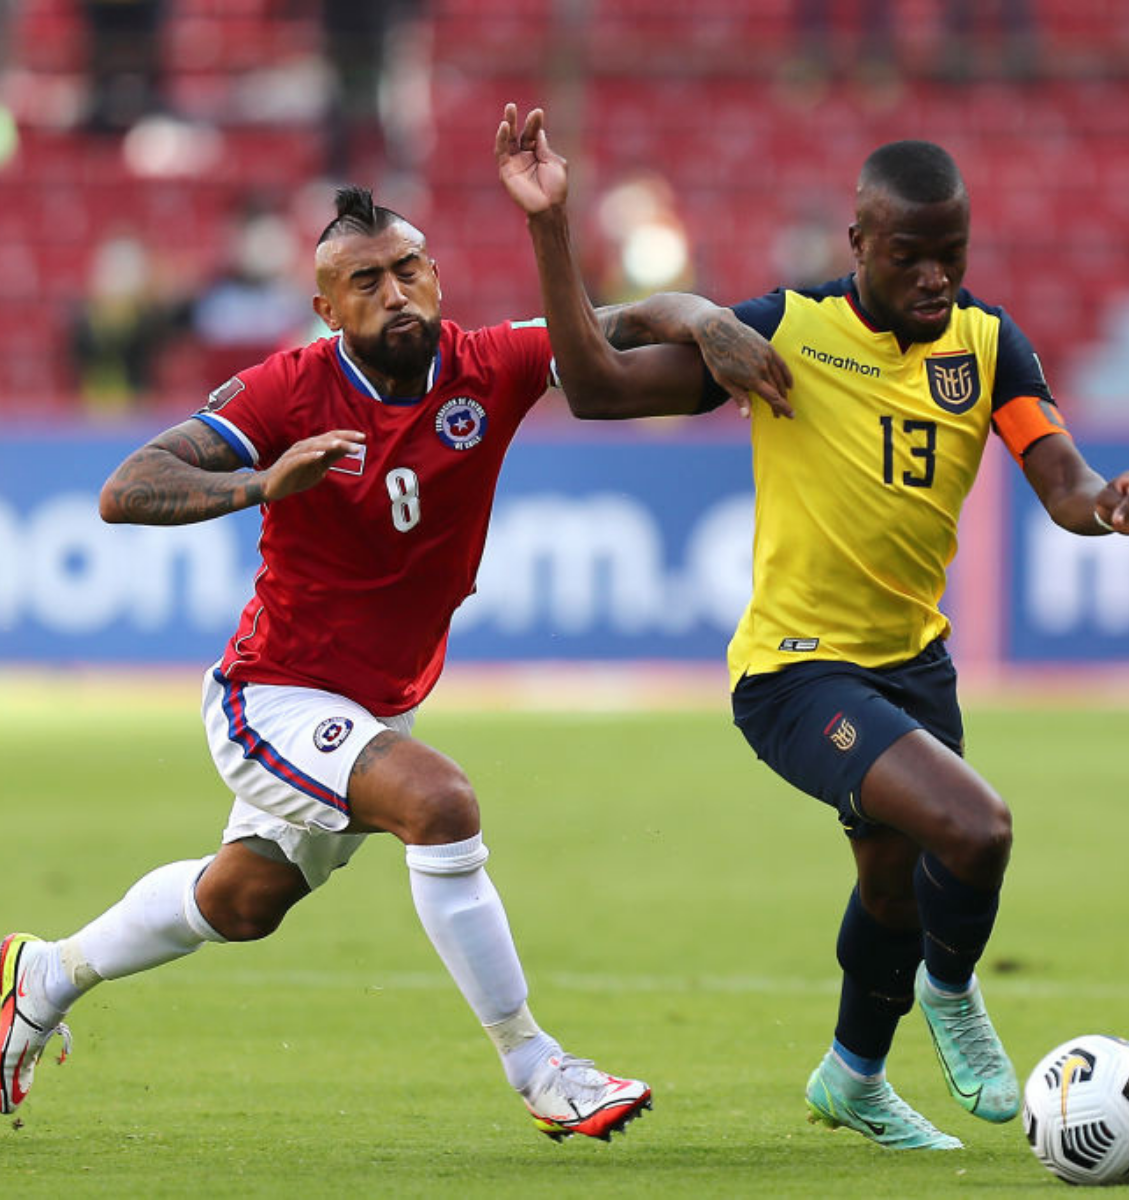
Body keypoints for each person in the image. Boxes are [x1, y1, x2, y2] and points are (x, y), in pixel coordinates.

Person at [495, 105, 1129, 1150]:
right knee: (976, 830)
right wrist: (645, 282)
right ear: (858, 243)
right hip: (796, 674)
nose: (936, 278)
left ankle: (852, 1078)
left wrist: (1102, 506)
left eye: (953, 256)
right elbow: (595, 383)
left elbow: (1060, 475)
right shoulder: (789, 328)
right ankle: (952, 993)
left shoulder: (989, 348)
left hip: (915, 666)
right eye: (910, 257)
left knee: (893, 884)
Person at [1, 184, 656, 1143]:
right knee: (440, 805)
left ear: (434, 275)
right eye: (366, 281)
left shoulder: (487, 362)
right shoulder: (289, 387)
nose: (395, 293)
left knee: (243, 899)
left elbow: (620, 325)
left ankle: (42, 976)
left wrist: (706, 322)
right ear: (328, 308)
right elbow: (126, 487)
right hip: (270, 697)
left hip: (378, 702)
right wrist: (264, 481)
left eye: (408, 270)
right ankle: (539, 1065)